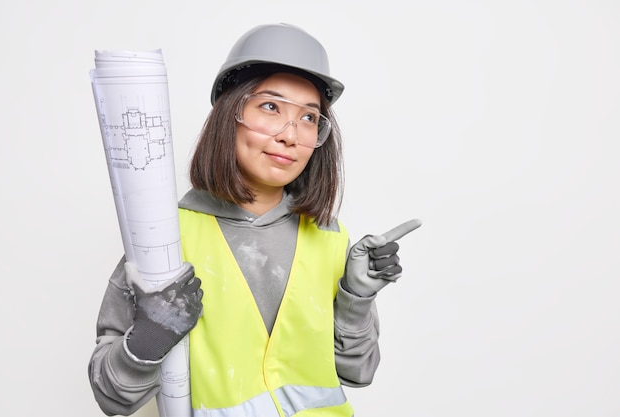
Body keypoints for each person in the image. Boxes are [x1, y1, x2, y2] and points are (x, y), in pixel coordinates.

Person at [88, 22, 421, 417]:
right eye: (270, 107)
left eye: (309, 118)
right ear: (230, 114)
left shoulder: (330, 236)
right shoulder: (163, 237)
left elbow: (358, 371)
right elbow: (112, 398)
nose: (290, 134)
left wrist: (356, 298)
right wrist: (149, 337)